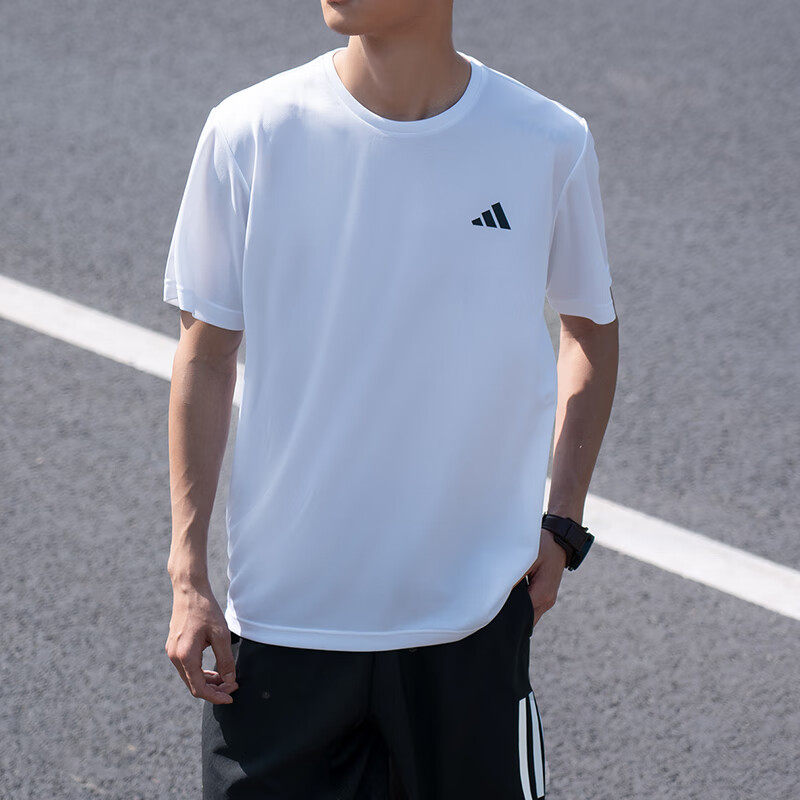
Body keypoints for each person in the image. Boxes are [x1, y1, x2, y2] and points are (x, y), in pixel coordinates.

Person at [162, 1, 619, 797]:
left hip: (469, 627)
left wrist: (563, 522)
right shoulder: (250, 133)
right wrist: (188, 572)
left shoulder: (547, 141)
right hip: (284, 627)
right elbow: (204, 356)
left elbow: (590, 330)